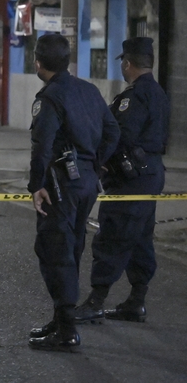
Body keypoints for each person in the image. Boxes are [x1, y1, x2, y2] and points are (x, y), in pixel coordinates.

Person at [27, 33, 120, 352]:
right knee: (73, 247)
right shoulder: (89, 90)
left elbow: (42, 148)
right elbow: (113, 131)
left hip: (60, 183)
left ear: (37, 61)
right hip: (86, 183)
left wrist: (36, 185)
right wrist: (96, 165)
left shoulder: (51, 97)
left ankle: (66, 330)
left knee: (55, 250)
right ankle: (60, 319)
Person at [74, 37, 170, 324]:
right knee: (140, 237)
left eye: (123, 64)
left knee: (113, 235)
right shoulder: (159, 93)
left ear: (127, 63)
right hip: (150, 173)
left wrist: (100, 163)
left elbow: (120, 136)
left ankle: (96, 300)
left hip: (131, 178)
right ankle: (136, 302)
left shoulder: (134, 96)